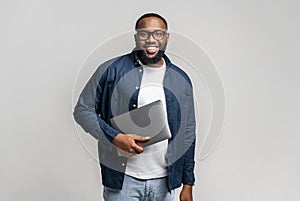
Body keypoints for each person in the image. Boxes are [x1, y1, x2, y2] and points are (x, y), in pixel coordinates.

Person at [73, 13, 196, 201]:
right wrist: (115, 137)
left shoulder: (181, 79)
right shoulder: (111, 70)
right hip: (123, 182)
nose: (151, 40)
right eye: (144, 34)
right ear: (136, 37)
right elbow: (83, 110)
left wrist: (188, 184)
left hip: (166, 183)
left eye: (158, 34)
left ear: (167, 37)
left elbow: (188, 132)